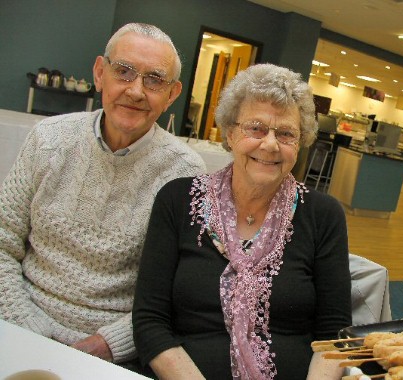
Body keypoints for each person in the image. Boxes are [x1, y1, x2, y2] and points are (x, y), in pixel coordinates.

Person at [0, 23, 206, 365]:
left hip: (112, 354)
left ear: (172, 95)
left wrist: (108, 345)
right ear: (99, 74)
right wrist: (26, 327)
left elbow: (174, 291)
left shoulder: (185, 174)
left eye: (154, 79)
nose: (136, 91)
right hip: (19, 323)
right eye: (123, 72)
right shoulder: (48, 140)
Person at [132, 63, 352, 379]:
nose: (270, 144)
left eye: (286, 133)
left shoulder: (323, 214)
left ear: (300, 142)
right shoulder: (178, 200)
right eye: (256, 128)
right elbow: (150, 321)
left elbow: (334, 333)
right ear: (230, 133)